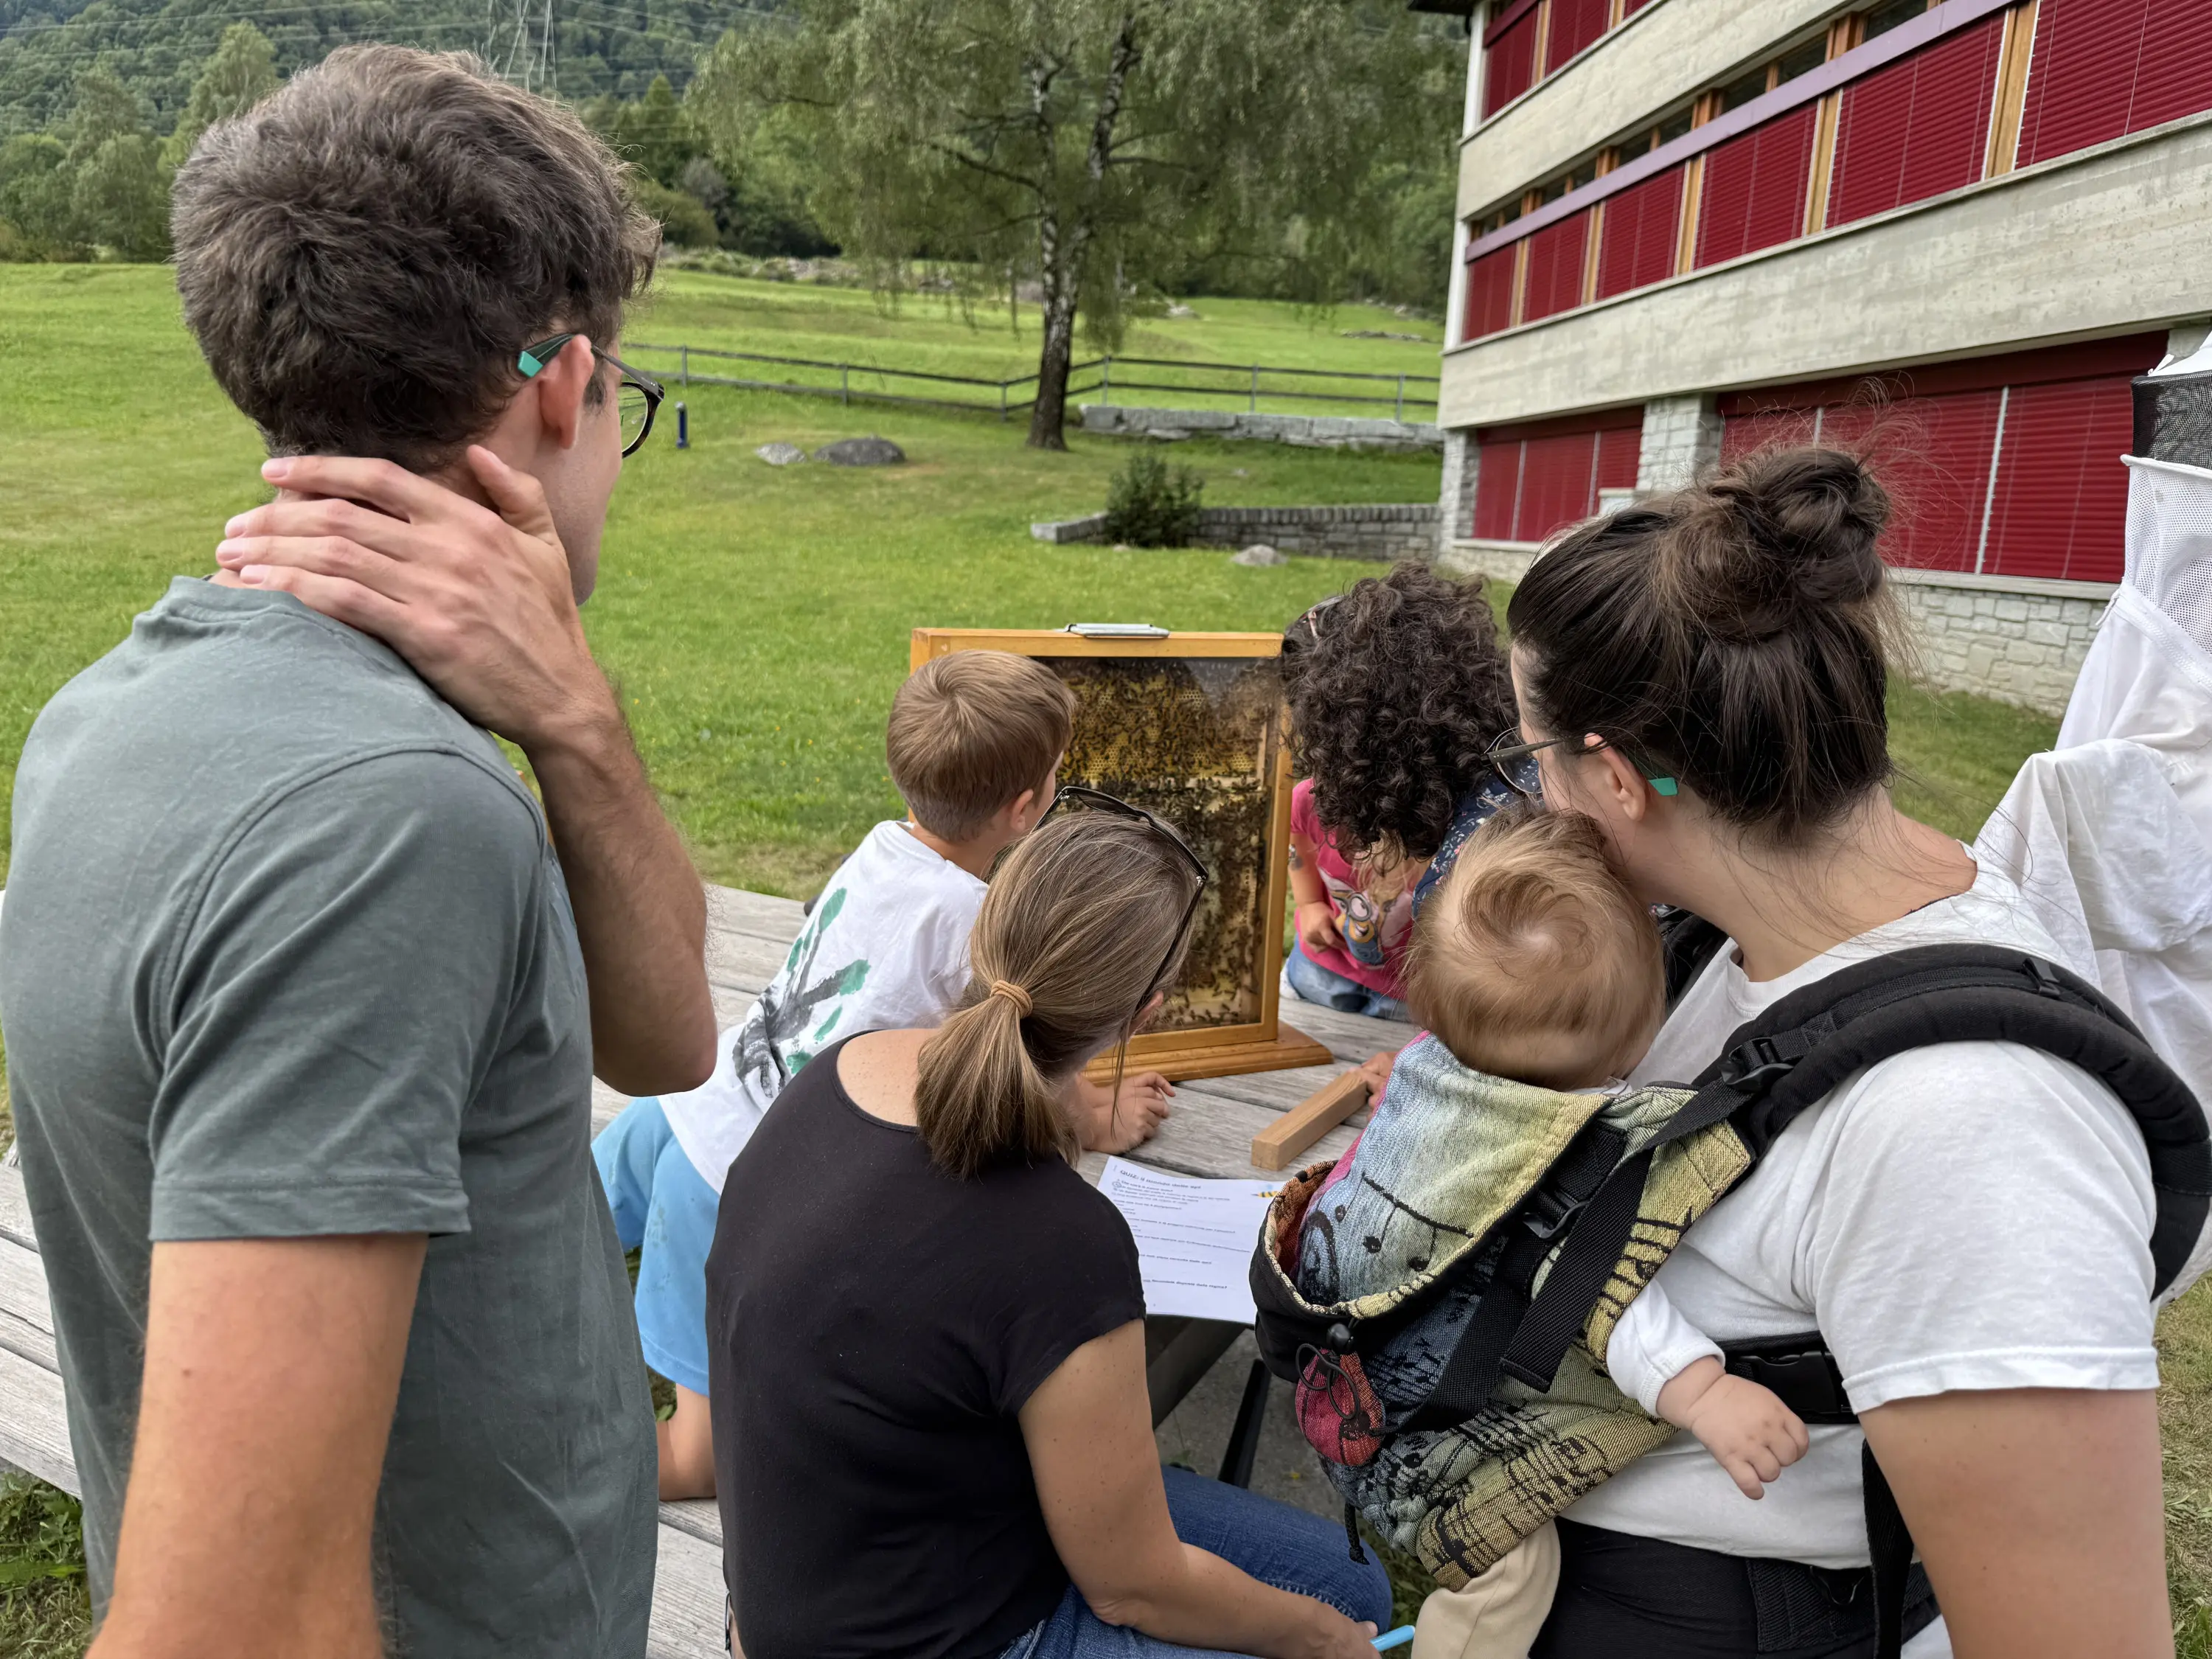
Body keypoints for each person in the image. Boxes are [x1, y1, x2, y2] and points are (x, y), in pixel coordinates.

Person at [0, 46, 716, 1658]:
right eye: (629, 407)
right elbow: (227, 1629)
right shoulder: (385, 821)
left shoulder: (106, 711)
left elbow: (664, 1039)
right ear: (562, 387)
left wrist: (582, 733)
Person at [1494, 447, 2171, 1657]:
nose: (1534, 803)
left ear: (1615, 777)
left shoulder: (1970, 1133)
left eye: (1532, 761)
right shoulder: (1718, 943)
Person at [706, 806, 1393, 1659]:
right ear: (1146, 1012)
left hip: (803, 1584)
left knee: (1352, 1582)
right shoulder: (1064, 1241)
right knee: (1348, 1608)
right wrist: (1320, 1641)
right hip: (938, 1634)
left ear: (985, 933)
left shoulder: (839, 1072)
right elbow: (1131, 1586)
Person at [594, 648, 1175, 1498]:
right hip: (724, 1180)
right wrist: (1097, 1115)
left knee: (548, 1240)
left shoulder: (880, 846)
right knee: (699, 1460)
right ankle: (537, 1464)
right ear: (1026, 809)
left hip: (682, 1105)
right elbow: (1024, 1049)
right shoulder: (978, 927)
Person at [1300, 807, 1809, 1659]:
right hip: (1432, 1426)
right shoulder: (1572, 1155)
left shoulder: (1432, 1069)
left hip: (1350, 1364)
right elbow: (1599, 1292)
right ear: (1639, 1024)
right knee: (1511, 1568)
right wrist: (1707, 1396)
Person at [1279, 564, 1517, 1061]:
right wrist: (1308, 905)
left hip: (1413, 1012)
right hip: (1319, 974)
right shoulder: (1310, 799)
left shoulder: (1470, 842)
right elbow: (1297, 842)